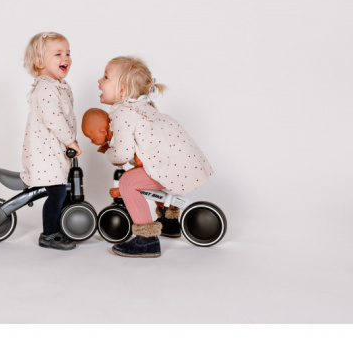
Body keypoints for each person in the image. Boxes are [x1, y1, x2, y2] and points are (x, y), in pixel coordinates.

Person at [95, 56, 213, 258]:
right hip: (175, 162)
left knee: (128, 182)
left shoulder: (123, 112)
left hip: (166, 166)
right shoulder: (144, 105)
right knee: (151, 177)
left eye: (105, 77)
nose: (99, 81)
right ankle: (169, 221)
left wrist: (108, 151)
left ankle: (147, 240)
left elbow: (122, 153)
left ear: (122, 90)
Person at [20, 32, 81, 251]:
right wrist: (70, 141)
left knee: (61, 190)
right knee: (57, 192)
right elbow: (53, 119)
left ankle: (61, 225)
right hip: (46, 154)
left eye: (68, 53)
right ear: (39, 62)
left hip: (55, 152)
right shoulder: (46, 88)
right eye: (58, 54)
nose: (66, 58)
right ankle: (49, 234)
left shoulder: (58, 85)